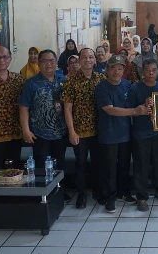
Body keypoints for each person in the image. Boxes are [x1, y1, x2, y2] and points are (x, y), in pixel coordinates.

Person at [95, 55, 151, 213]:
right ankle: (109, 197)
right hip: (109, 134)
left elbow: (135, 104)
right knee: (109, 168)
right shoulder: (101, 87)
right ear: (107, 70)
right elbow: (110, 109)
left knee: (124, 166)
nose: (117, 71)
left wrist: (146, 104)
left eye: (120, 68)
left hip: (126, 134)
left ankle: (123, 193)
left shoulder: (127, 85)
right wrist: (134, 111)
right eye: (113, 68)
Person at [128, 59, 158, 211]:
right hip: (141, 133)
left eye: (154, 69)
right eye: (148, 70)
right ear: (143, 71)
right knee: (141, 165)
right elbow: (130, 112)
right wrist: (141, 107)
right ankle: (141, 196)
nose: (151, 72)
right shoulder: (135, 89)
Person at [62, 48, 104, 209]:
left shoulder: (101, 78)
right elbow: (67, 109)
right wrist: (71, 131)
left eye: (91, 57)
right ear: (79, 60)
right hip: (79, 131)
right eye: (84, 57)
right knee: (80, 164)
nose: (88, 60)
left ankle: (97, 191)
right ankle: (81, 194)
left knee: (97, 163)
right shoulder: (71, 81)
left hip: (99, 130)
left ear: (95, 60)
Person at [20, 49, 68, 173]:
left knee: (60, 164)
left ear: (56, 62)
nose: (48, 64)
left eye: (51, 60)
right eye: (44, 61)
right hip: (40, 133)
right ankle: (44, 192)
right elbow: (24, 107)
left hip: (61, 131)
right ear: (39, 64)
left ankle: (59, 191)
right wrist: (26, 130)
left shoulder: (63, 80)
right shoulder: (31, 83)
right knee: (42, 167)